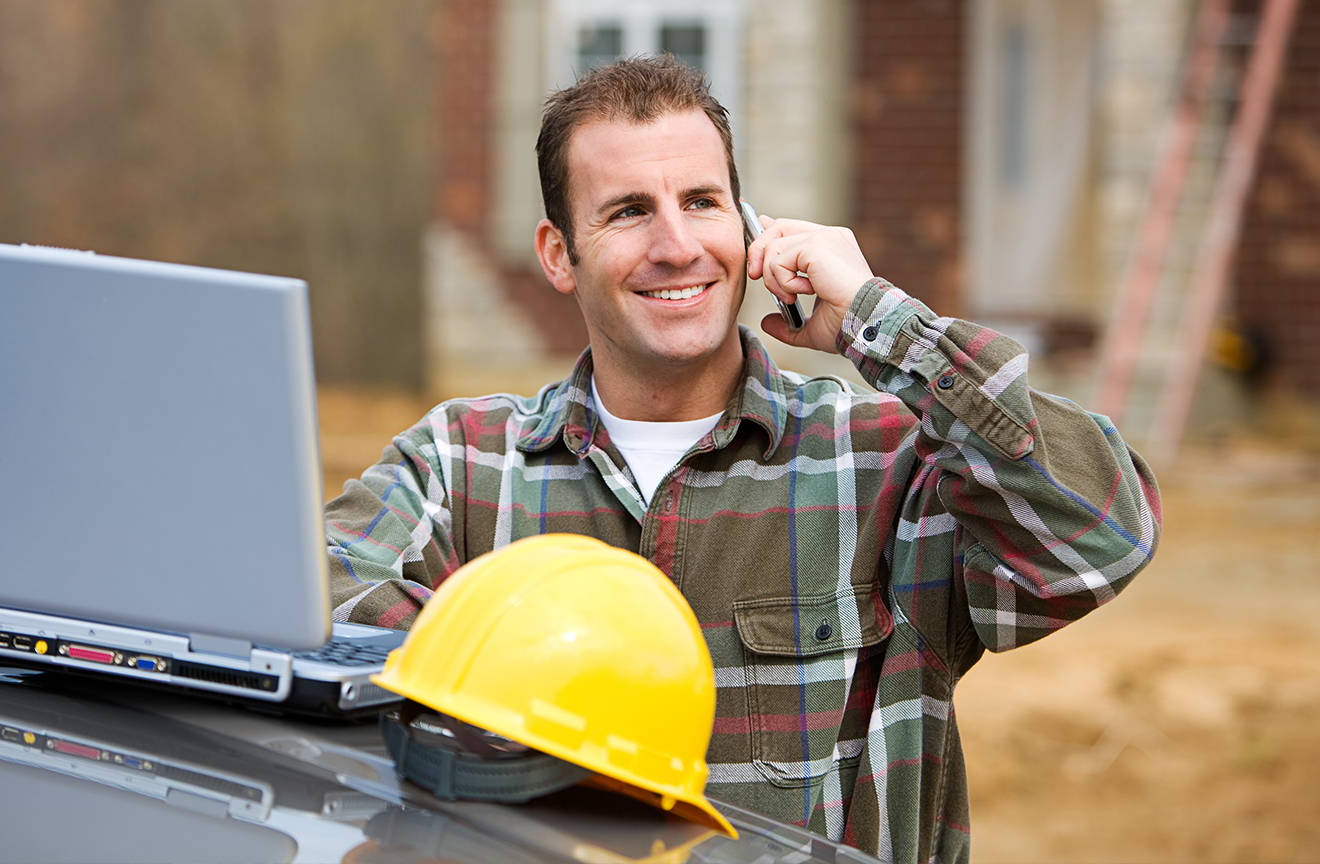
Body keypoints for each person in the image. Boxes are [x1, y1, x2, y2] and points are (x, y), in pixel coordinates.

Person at [325, 56, 1159, 864]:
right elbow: (305, 601)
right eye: (628, 212)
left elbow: (1099, 534)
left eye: (702, 201)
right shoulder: (465, 465)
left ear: (750, 228)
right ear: (556, 253)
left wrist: (882, 324)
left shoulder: (886, 464)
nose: (678, 244)